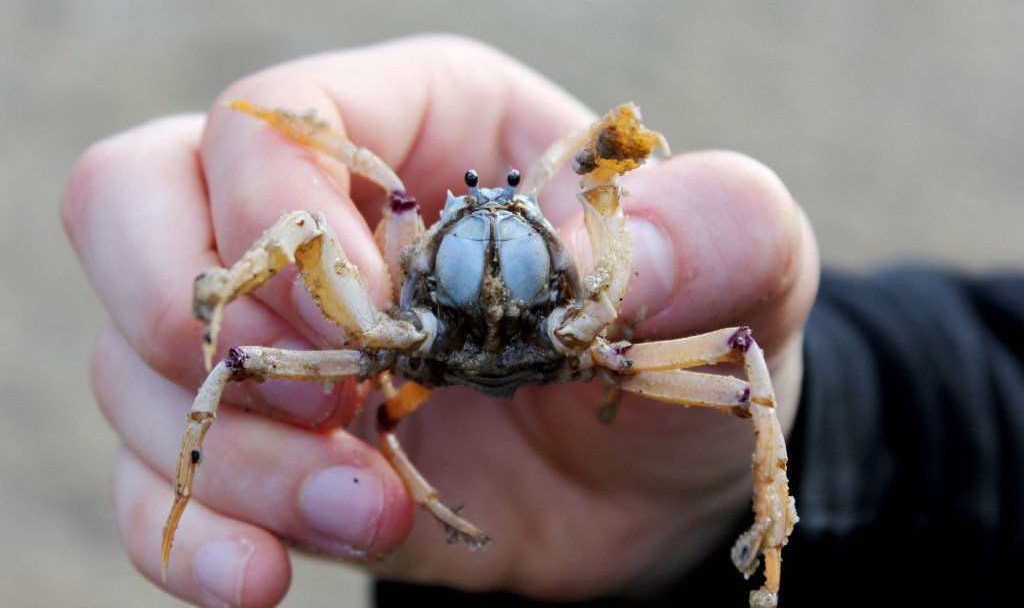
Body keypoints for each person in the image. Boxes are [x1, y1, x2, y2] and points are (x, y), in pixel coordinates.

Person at [62, 35, 1021, 607]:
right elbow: (306, 236)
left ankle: (773, 535)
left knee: (738, 363)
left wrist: (767, 500)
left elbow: (748, 370)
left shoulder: (596, 299)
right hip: (418, 355)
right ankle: (367, 491)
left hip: (584, 371)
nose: (491, 234)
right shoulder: (397, 275)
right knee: (288, 291)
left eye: (516, 216)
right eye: (466, 218)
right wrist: (228, 289)